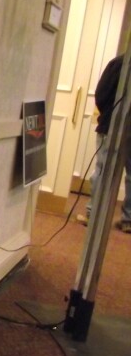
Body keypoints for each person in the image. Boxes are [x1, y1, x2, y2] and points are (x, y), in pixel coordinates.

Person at [77, 53, 131, 232]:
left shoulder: (120, 63)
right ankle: (128, 219)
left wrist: (109, 113)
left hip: (111, 126)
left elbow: (101, 94)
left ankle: (94, 214)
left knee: (103, 170)